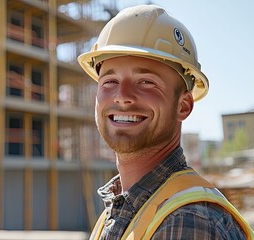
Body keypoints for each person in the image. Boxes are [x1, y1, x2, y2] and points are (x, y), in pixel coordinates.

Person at [78, 4, 254, 240]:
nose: (122, 95)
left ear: (183, 106)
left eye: (146, 82)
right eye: (109, 81)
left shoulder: (187, 222)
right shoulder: (119, 211)